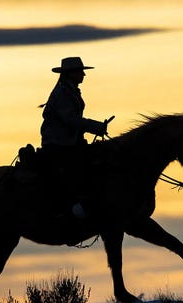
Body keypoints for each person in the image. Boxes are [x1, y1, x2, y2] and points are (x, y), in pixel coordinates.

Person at [39, 57, 109, 218]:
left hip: (69, 141)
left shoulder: (69, 91)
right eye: (80, 72)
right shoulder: (63, 93)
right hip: (59, 143)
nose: (83, 75)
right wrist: (95, 127)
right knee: (77, 167)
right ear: (71, 74)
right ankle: (71, 208)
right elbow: (70, 119)